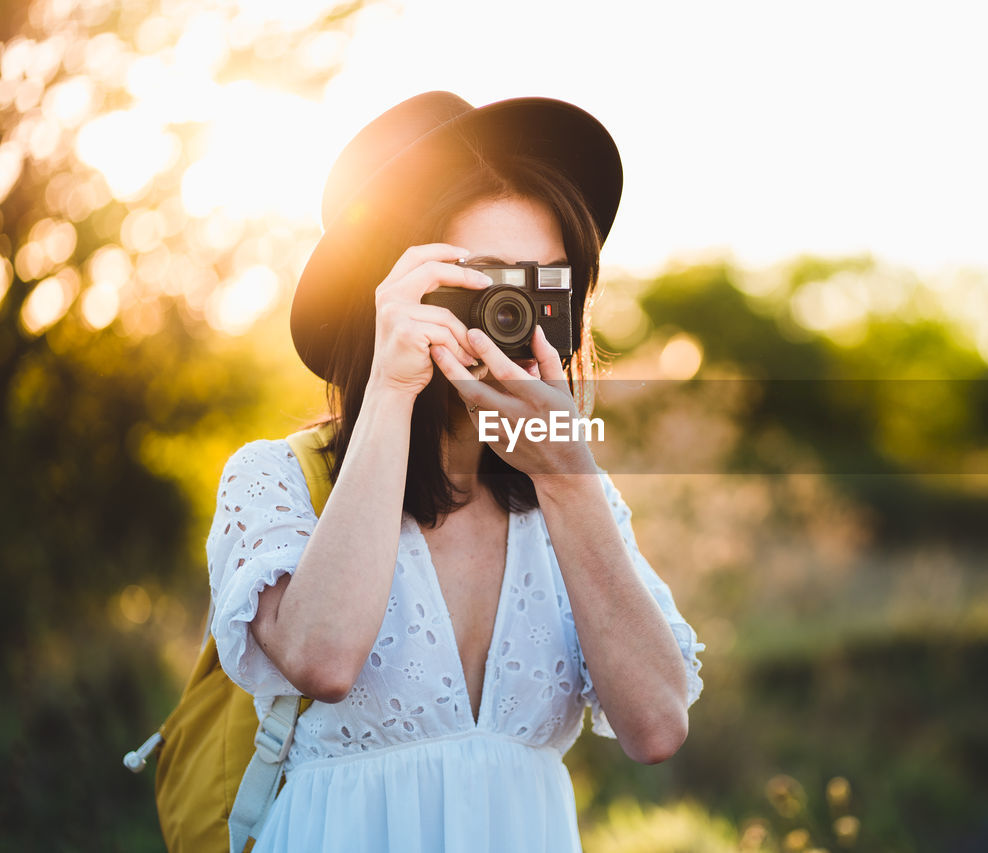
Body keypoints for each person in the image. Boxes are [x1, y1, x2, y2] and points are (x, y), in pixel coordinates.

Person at [205, 91, 706, 852]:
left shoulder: (574, 499)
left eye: (541, 286)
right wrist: (393, 387)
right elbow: (322, 659)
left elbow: (659, 727)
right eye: (481, 283)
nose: (511, 316)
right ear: (395, 295)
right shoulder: (274, 480)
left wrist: (569, 475)